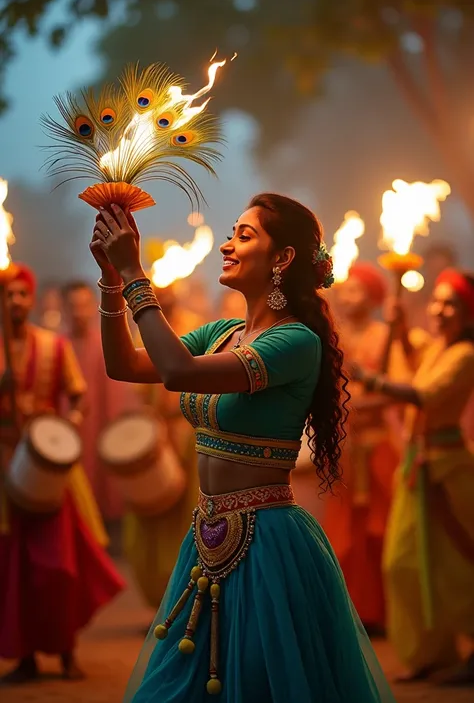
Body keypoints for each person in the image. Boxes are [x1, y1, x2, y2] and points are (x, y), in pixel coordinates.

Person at [91, 194, 396, 702]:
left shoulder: (295, 342)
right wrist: (111, 279)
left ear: (283, 259)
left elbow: (179, 372)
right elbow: (124, 364)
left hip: (268, 541)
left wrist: (136, 274)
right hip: (206, 534)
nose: (227, 246)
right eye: (231, 233)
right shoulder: (224, 333)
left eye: (244, 235)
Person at [0, 264, 125, 684]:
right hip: (5, 470)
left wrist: (65, 429)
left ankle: (68, 651)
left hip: (51, 472)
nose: (15, 302)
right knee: (14, 570)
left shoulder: (53, 346)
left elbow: (78, 397)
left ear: (31, 300)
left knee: (60, 566)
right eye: (8, 296)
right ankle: (26, 656)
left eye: (22, 295)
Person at [352, 267, 474, 685]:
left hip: (449, 471)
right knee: (403, 562)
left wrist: (368, 378)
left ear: (469, 314)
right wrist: (400, 328)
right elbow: (416, 361)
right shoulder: (439, 348)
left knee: (454, 566)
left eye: (451, 303)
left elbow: (425, 393)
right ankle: (430, 653)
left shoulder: (465, 354)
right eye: (437, 301)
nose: (439, 310)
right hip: (419, 468)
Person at [323, 262, 399, 635]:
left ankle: (384, 613)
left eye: (355, 290)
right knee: (344, 535)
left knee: (379, 532)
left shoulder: (385, 337)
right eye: (345, 289)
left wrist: (353, 405)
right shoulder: (334, 337)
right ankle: (353, 611)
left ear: (372, 298)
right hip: (346, 450)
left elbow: (397, 390)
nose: (347, 296)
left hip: (377, 448)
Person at [125, 281, 203, 610]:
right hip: (156, 437)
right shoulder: (143, 331)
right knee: (150, 519)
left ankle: (188, 598)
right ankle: (160, 599)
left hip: (188, 438)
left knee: (189, 521)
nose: (164, 296)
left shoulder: (196, 328)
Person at [62, 280, 136, 525]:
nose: (78, 312)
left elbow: (117, 398)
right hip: (66, 434)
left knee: (104, 489)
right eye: (72, 306)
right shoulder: (57, 345)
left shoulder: (105, 343)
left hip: (100, 430)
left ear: (93, 306)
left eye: (83, 305)